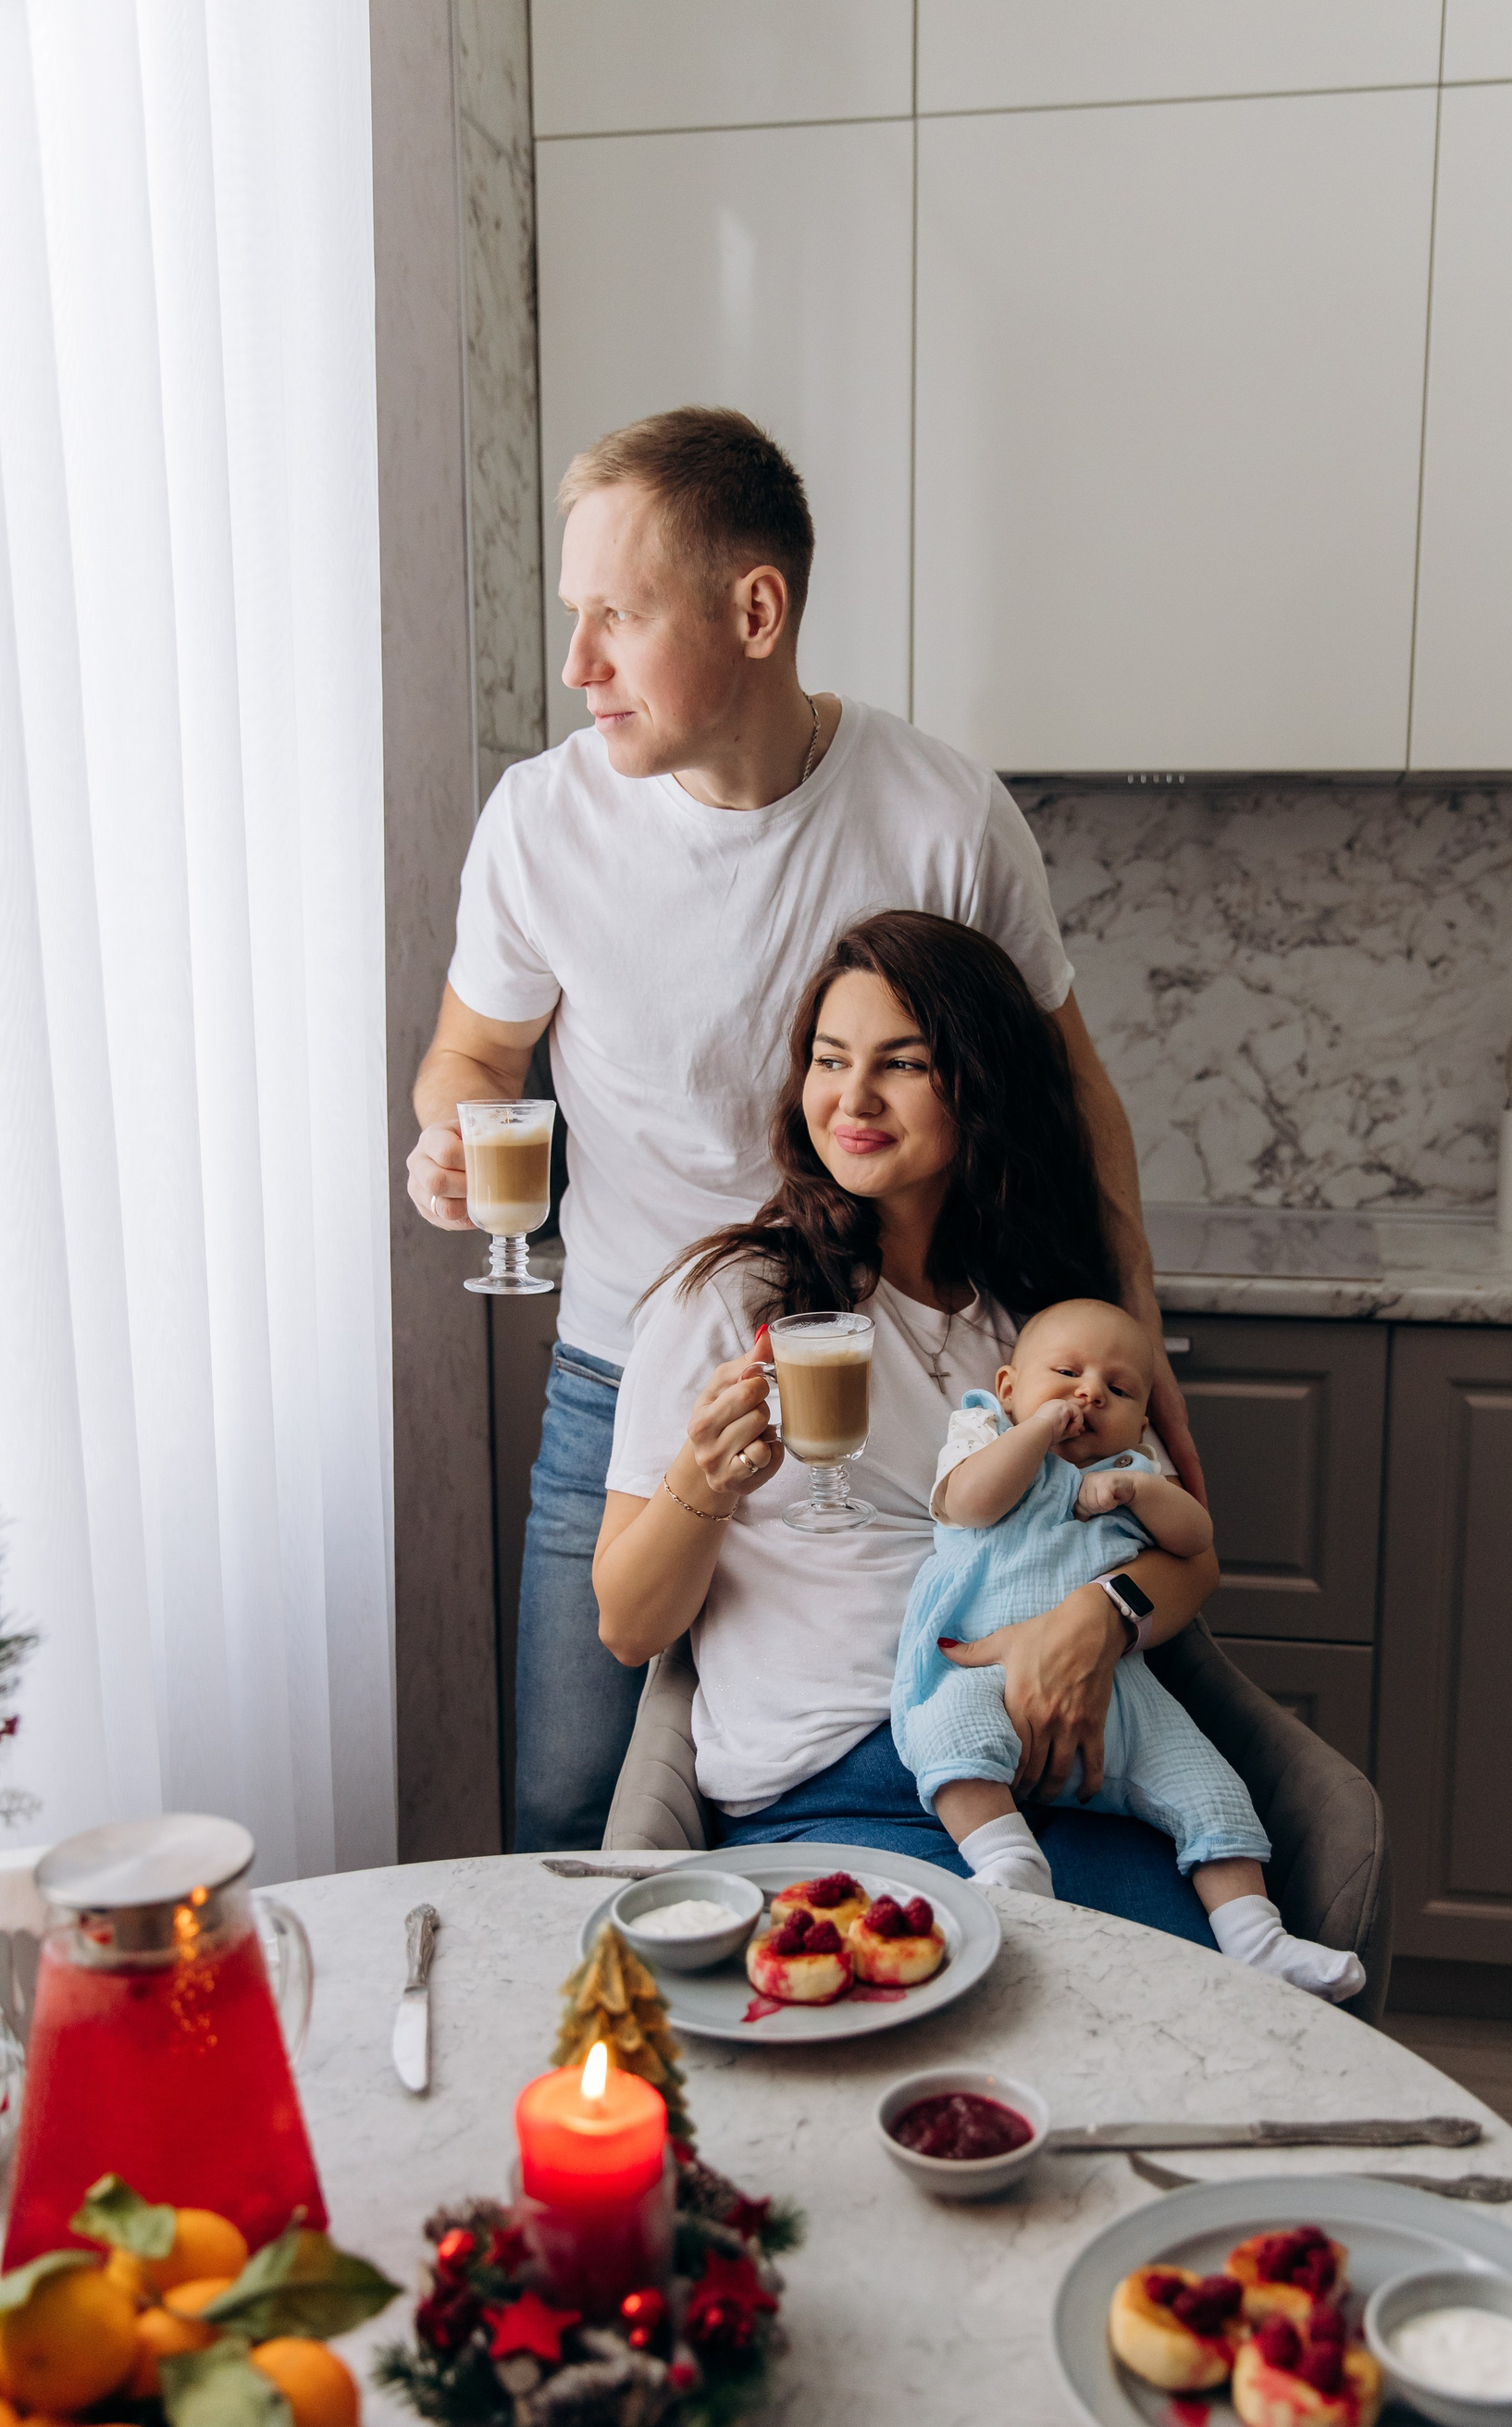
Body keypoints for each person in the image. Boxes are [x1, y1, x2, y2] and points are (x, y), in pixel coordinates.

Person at [405, 405, 1205, 1851]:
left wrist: (1135, 1333)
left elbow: (1074, 1089)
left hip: (894, 1366)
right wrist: (455, 1134)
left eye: (617, 615)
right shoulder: (540, 822)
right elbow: (473, 1053)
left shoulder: (942, 814)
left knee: (929, 1740)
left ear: (756, 611)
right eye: (575, 615)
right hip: (623, 1367)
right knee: (568, 1805)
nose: (578, 662)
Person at [592, 910, 1223, 1942]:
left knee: (1198, 2000)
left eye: (903, 1063)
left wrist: (1098, 1618)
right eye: (829, 1059)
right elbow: (628, 1626)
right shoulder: (732, 1300)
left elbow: (1189, 1556)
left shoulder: (1038, 1327)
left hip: (1056, 1764)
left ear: (982, 1085)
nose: (853, 1099)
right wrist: (703, 1483)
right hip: (845, 1775)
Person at [890, 1297, 1365, 1999]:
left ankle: (1257, 1938)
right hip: (986, 1670)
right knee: (946, 1732)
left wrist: (1138, 1489)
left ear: (1141, 1422)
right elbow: (972, 1503)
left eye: (1117, 1389)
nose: (1089, 1394)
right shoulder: (983, 1431)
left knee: (1213, 1788)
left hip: (1121, 1692)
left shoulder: (1131, 1469)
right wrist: (1037, 1430)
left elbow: (1197, 1541)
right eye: (1066, 1375)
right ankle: (1010, 1861)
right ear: (1008, 1387)